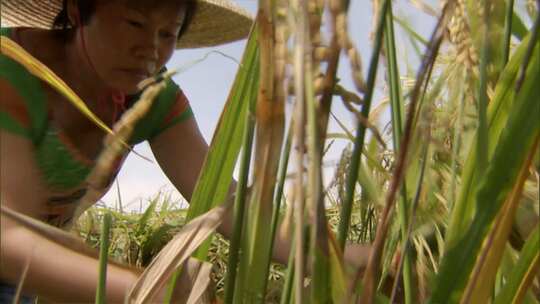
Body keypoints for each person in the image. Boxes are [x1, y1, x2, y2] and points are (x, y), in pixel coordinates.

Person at [0, 0, 371, 302]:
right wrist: (147, 290)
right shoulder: (10, 69)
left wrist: (337, 259)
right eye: (134, 23)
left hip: (27, 273)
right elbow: (8, 238)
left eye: (168, 32)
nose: (151, 49)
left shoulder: (150, 98)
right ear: (79, 11)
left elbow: (227, 205)